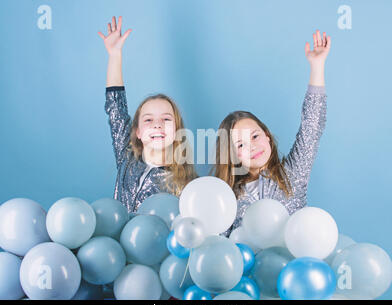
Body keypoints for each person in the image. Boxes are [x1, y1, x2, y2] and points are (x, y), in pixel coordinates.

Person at [213, 30, 331, 237]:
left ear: (267, 135)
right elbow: (220, 246)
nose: (252, 146)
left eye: (255, 136)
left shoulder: (292, 174)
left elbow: (312, 127)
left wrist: (317, 66)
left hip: (293, 266)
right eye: (240, 145)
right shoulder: (229, 197)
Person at [98, 16, 197, 214]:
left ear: (177, 131)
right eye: (149, 120)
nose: (157, 125)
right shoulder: (127, 157)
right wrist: (115, 54)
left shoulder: (185, 183)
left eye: (166, 119)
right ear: (138, 132)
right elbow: (115, 107)